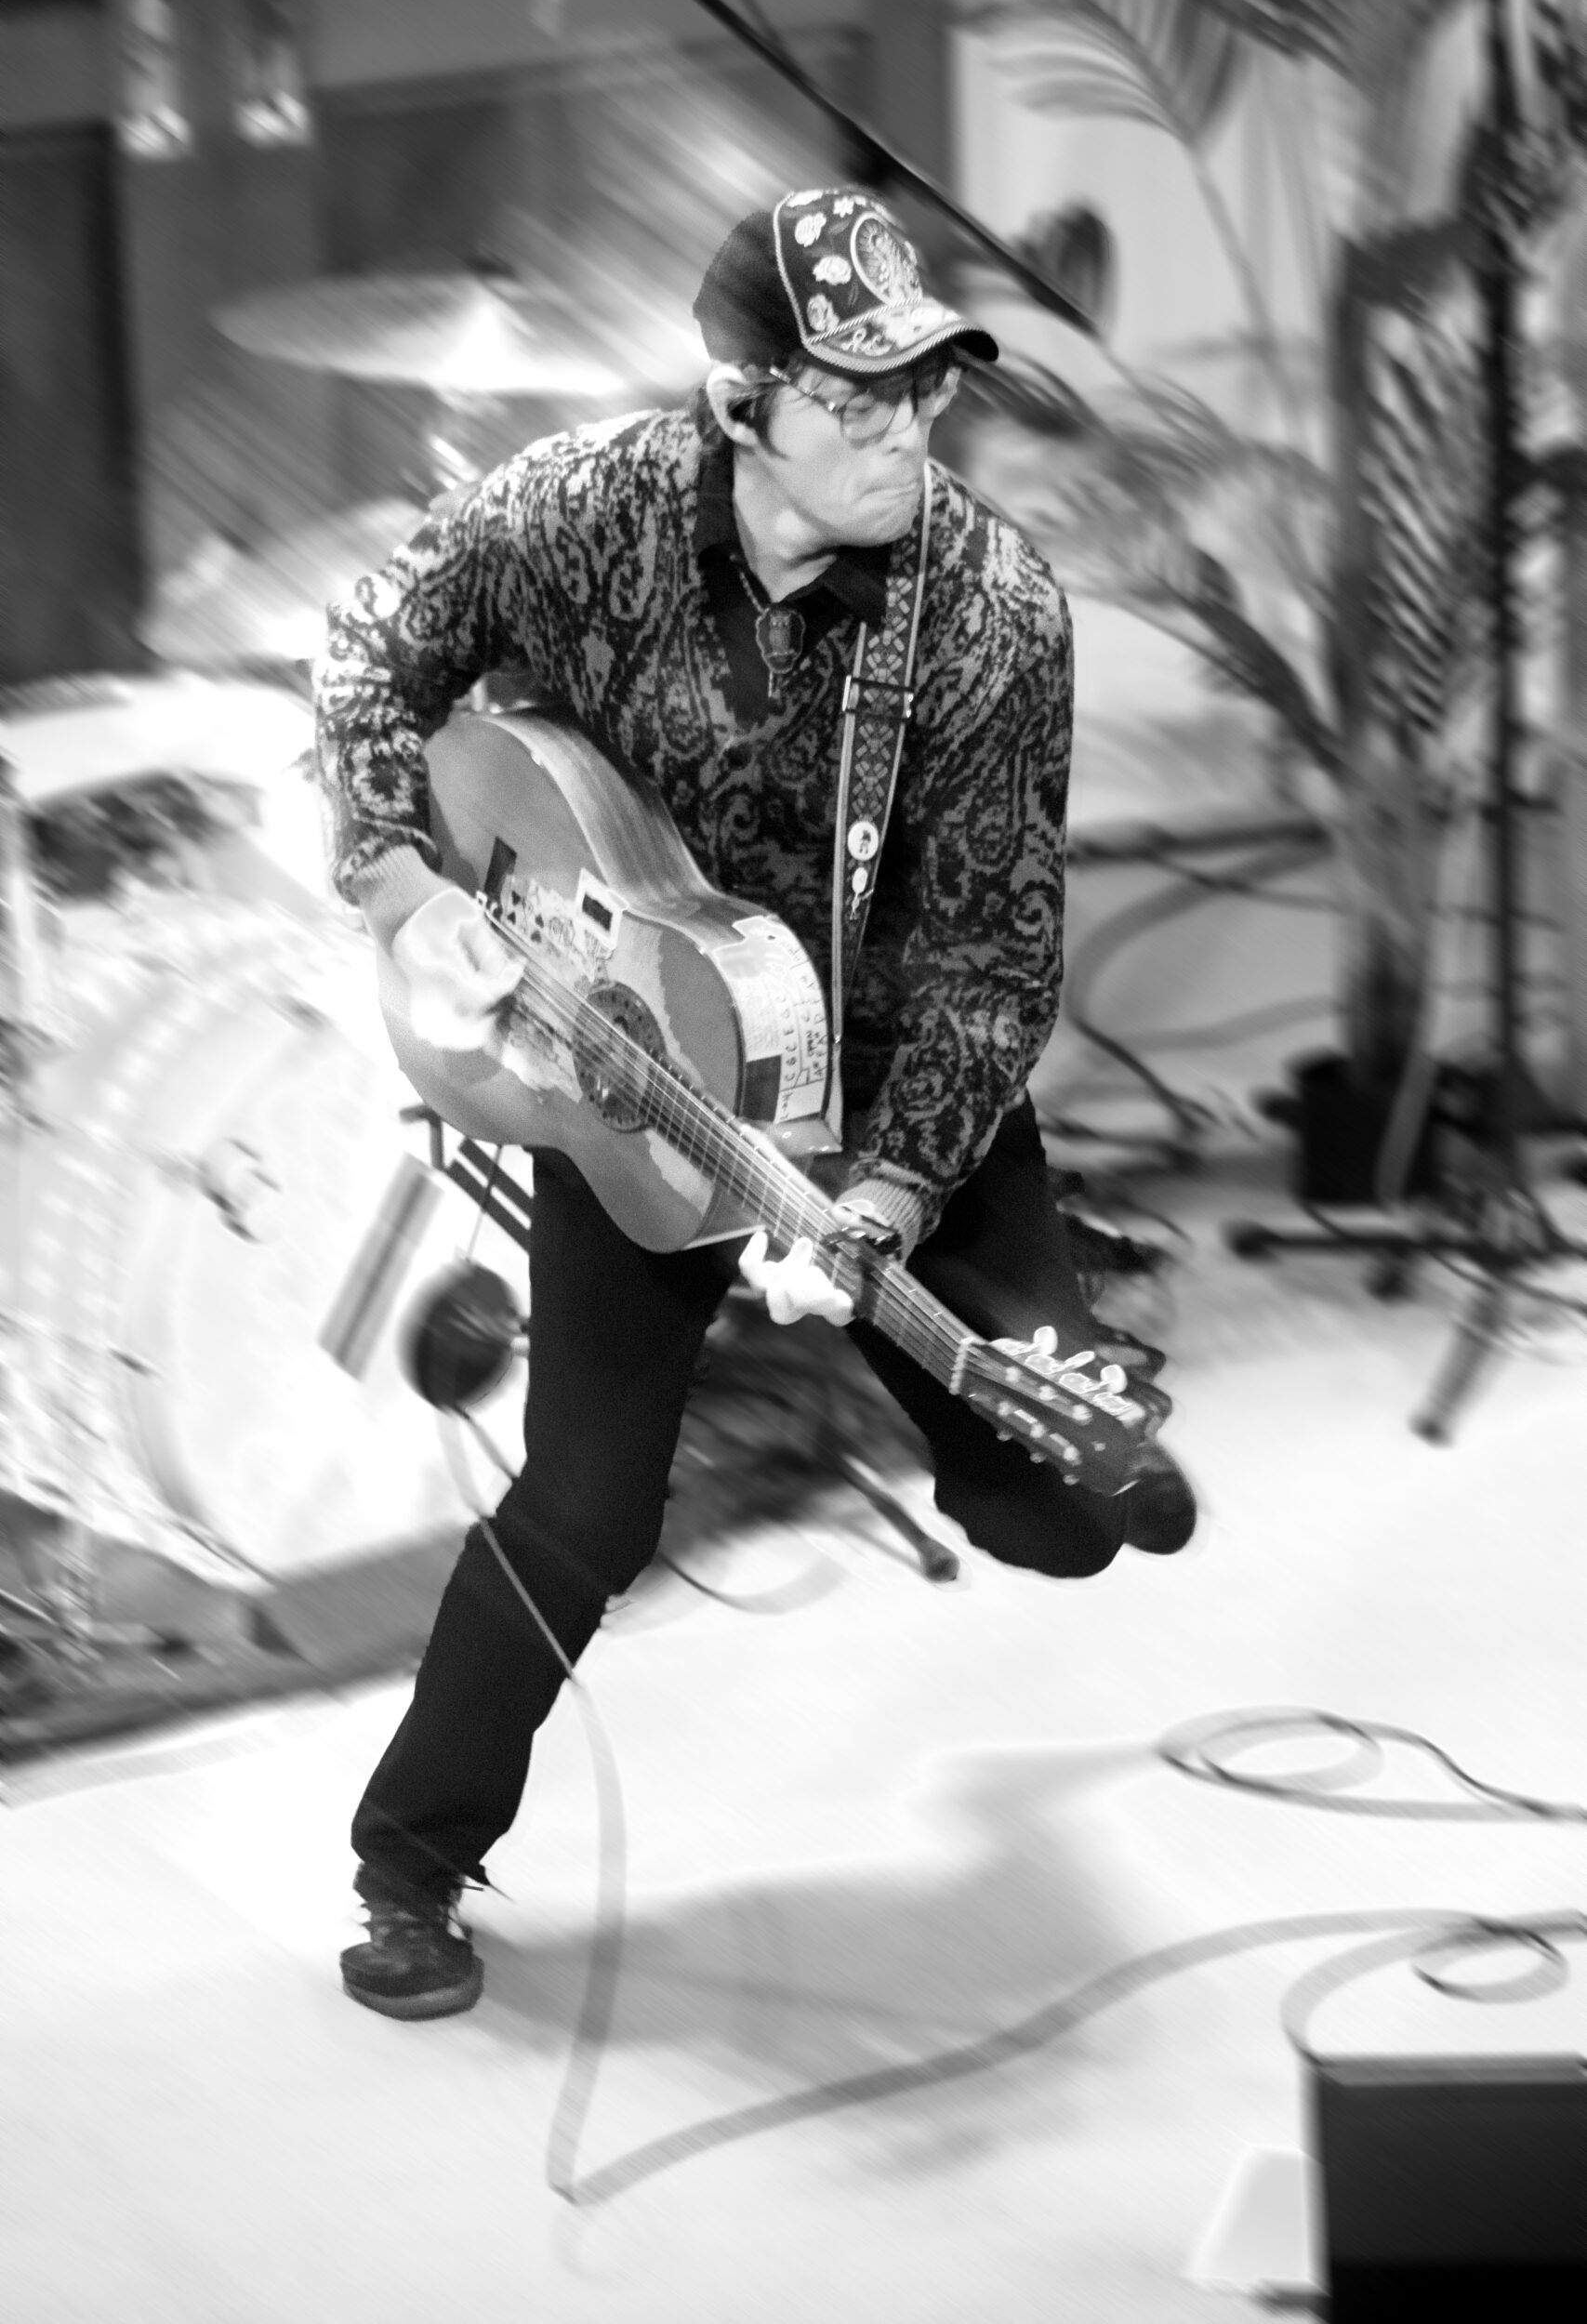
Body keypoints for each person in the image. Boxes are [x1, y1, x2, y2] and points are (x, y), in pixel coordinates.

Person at [315, 187, 1197, 2023]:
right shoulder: (578, 515)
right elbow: (369, 661)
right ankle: (409, 1862)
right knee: (585, 1505)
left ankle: (1051, 1354)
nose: (907, 434)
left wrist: (882, 1200)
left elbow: (991, 962)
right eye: (856, 402)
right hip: (627, 1052)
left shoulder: (988, 615)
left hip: (886, 1073)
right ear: (740, 403)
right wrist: (408, 896)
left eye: (925, 391)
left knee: (1058, 1508)